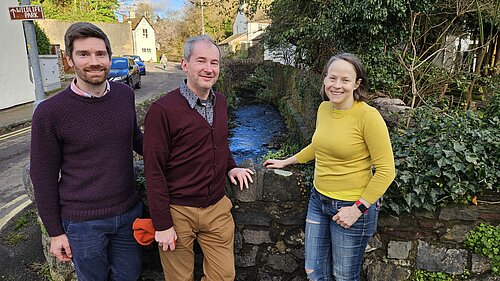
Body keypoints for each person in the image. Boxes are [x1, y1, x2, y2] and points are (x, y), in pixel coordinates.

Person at [263, 53, 396, 281]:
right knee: (314, 271)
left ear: (357, 84)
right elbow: (318, 146)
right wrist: (287, 161)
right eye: (332, 78)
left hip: (351, 206)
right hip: (319, 200)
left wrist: (357, 209)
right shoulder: (324, 109)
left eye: (345, 80)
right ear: (324, 80)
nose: (337, 85)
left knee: (343, 276)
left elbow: (386, 170)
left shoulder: (368, 117)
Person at [30, 22, 144, 281]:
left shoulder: (124, 95)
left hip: (128, 214)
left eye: (100, 54)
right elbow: (43, 175)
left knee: (130, 277)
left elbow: (137, 140)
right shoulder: (50, 113)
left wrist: (184, 157)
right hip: (82, 224)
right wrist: (55, 232)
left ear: (109, 57)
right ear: (69, 60)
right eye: (84, 54)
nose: (94, 61)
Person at [143, 34, 254, 281]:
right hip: (177, 211)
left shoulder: (221, 102)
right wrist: (162, 224)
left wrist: (231, 167)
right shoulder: (162, 111)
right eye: (201, 61)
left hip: (216, 208)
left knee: (223, 276)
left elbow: (219, 143)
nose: (208, 68)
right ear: (185, 65)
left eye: (214, 63)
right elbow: (153, 170)